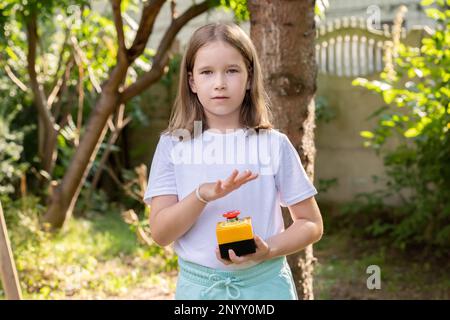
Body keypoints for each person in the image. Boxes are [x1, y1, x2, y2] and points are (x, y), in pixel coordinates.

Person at [143, 22, 323, 300]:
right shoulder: (173, 146)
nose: (219, 83)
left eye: (232, 71)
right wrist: (201, 196)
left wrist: (269, 249)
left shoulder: (273, 145)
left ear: (249, 77)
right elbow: (161, 233)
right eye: (206, 72)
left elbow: (311, 224)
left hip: (267, 288)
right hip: (199, 292)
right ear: (192, 81)